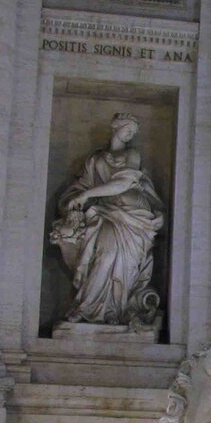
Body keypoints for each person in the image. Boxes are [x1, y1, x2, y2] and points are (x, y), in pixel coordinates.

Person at [53, 113, 164, 327]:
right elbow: (80, 187)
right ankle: (87, 308)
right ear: (116, 127)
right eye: (128, 129)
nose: (131, 134)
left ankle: (117, 311)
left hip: (134, 218)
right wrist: (76, 199)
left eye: (134, 132)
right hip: (106, 214)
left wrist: (87, 195)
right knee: (106, 256)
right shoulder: (96, 160)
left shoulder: (132, 154)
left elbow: (123, 183)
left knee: (126, 264)